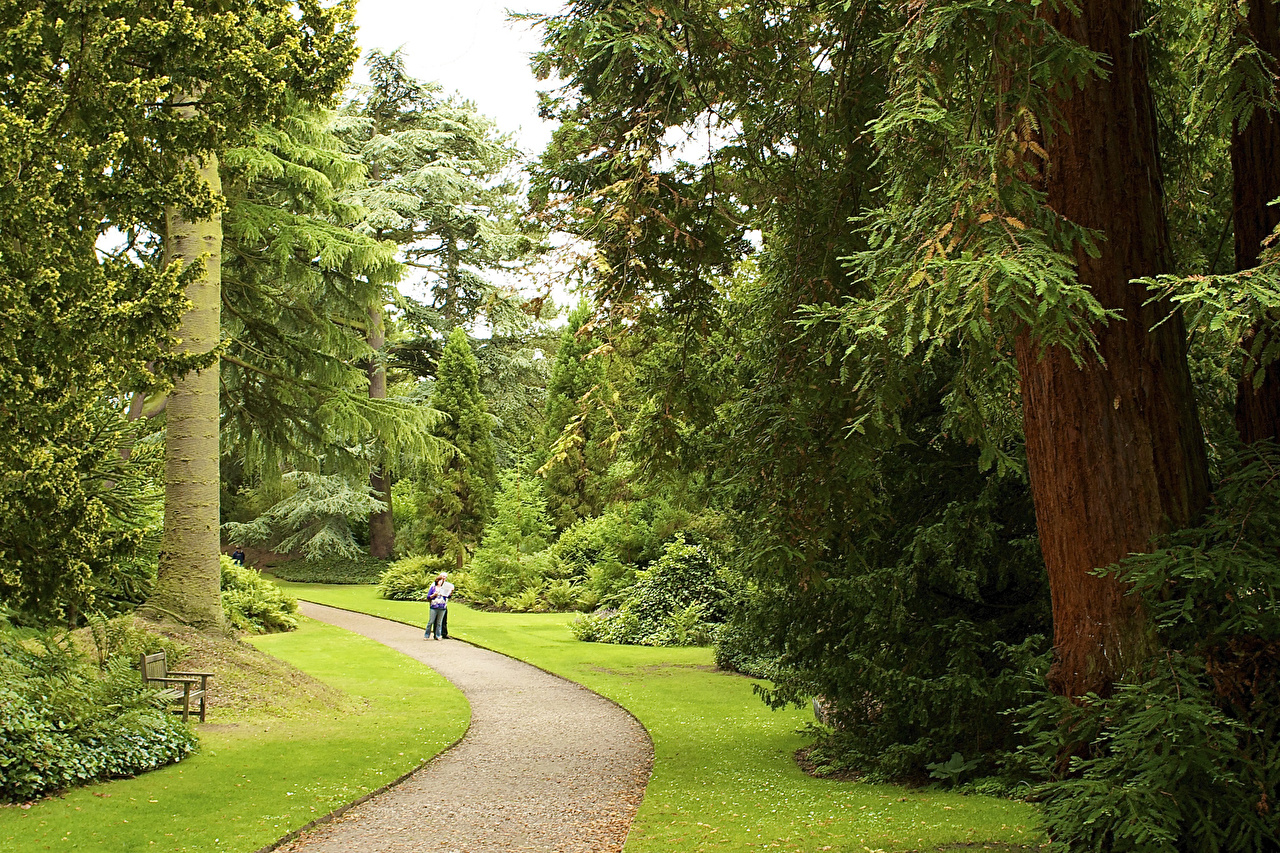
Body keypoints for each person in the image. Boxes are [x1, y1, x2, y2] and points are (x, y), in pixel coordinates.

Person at [424, 572, 452, 640]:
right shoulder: (433, 587)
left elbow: (448, 596)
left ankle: (439, 635)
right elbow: (428, 596)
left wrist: (450, 592)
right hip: (434, 605)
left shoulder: (445, 587)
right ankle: (427, 635)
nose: (443, 579)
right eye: (442, 578)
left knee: (440, 621)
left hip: (442, 606)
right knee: (431, 621)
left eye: (445, 577)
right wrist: (433, 595)